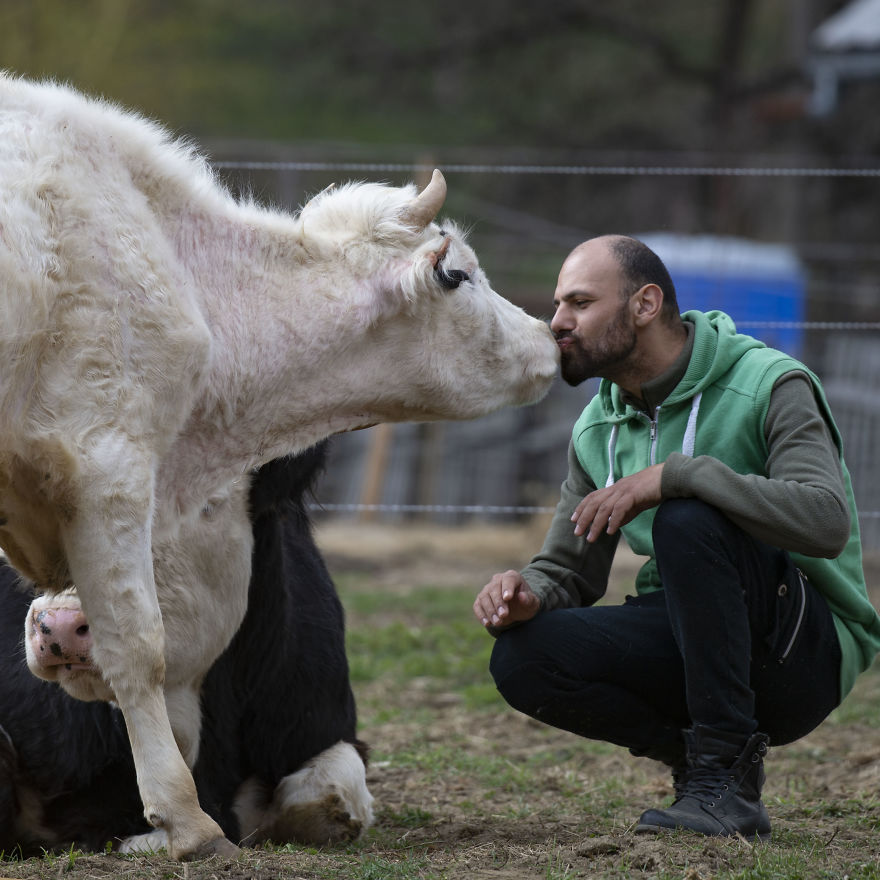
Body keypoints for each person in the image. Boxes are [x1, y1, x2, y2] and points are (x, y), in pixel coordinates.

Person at [473, 235, 880, 841]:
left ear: (644, 304)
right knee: (523, 656)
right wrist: (527, 593)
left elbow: (824, 522)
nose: (558, 321)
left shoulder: (769, 383)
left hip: (802, 652)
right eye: (560, 304)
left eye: (580, 302)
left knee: (688, 517)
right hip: (698, 645)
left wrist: (678, 476)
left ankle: (725, 779)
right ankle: (708, 766)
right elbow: (569, 570)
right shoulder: (597, 426)